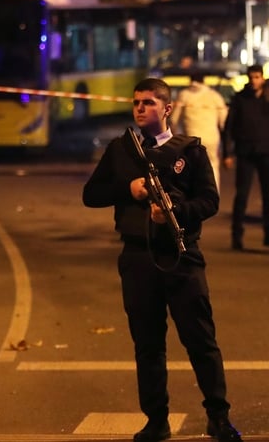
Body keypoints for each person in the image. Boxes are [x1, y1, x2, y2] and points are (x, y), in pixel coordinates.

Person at [82, 78, 242, 442]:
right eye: (136, 103)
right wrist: (129, 189)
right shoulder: (122, 150)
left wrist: (177, 212)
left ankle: (218, 416)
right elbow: (91, 194)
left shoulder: (191, 150)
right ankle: (157, 420)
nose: (140, 109)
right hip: (138, 256)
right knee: (148, 344)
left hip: (181, 253)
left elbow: (210, 201)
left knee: (200, 339)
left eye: (149, 103)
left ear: (167, 109)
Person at [223, 64, 269, 251]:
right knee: (241, 195)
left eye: (257, 77)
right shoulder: (240, 99)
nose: (254, 81)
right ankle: (236, 236)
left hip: (266, 153)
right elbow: (229, 127)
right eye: (251, 77)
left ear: (263, 78)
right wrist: (228, 153)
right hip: (246, 152)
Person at [170, 72, 228, 191]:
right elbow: (224, 121)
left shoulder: (184, 95)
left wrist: (174, 137)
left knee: (192, 169)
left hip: (191, 139)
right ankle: (214, 196)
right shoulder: (214, 95)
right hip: (212, 138)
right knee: (212, 166)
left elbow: (173, 119)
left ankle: (197, 198)